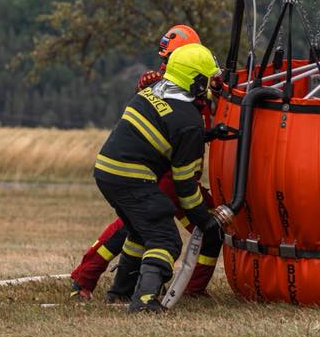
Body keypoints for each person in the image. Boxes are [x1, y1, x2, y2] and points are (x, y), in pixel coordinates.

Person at [68, 24, 226, 303]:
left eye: (170, 59)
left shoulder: (178, 88)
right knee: (143, 231)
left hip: (166, 178)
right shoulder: (168, 87)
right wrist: (202, 215)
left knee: (151, 231)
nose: (166, 66)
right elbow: (182, 130)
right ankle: (94, 280)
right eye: (165, 60)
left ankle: (189, 291)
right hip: (167, 181)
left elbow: (191, 120)